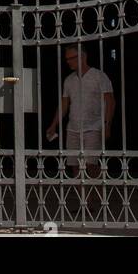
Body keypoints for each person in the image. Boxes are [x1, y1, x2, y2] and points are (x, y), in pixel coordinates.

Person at [47, 44, 114, 178]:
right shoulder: (69, 80)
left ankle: (99, 196)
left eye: (72, 58)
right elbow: (64, 105)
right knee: (74, 165)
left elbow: (110, 101)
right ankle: (84, 197)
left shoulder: (98, 76)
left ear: (83, 56)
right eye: (67, 59)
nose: (69, 62)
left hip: (93, 127)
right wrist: (54, 124)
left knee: (91, 165)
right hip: (73, 128)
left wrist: (107, 125)